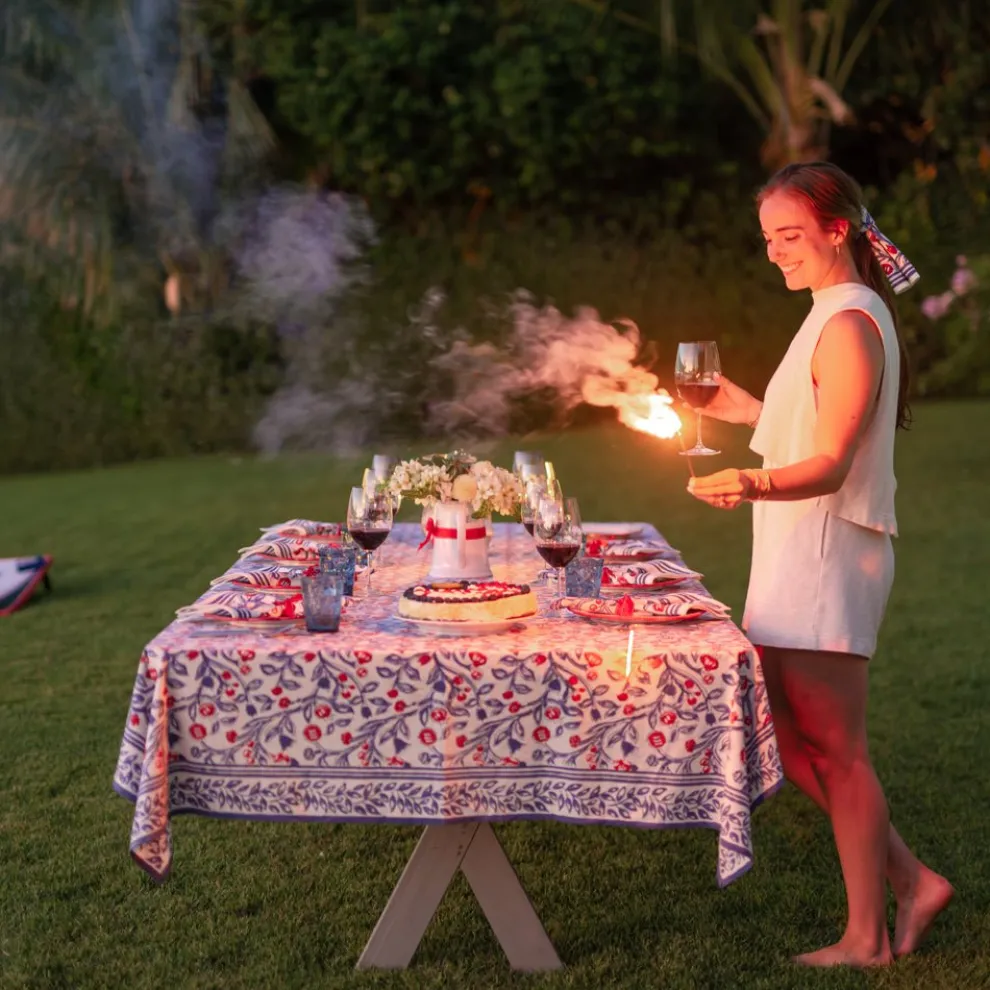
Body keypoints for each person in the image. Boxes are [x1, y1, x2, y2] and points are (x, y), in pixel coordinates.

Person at [685, 161, 953, 968]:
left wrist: (749, 480)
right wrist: (740, 408)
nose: (775, 252)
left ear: (838, 231)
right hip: (797, 549)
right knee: (783, 732)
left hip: (830, 554)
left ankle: (867, 937)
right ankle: (911, 880)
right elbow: (808, 423)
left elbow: (832, 461)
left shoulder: (848, 322)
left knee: (838, 748)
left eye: (790, 235)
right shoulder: (830, 313)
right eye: (767, 238)